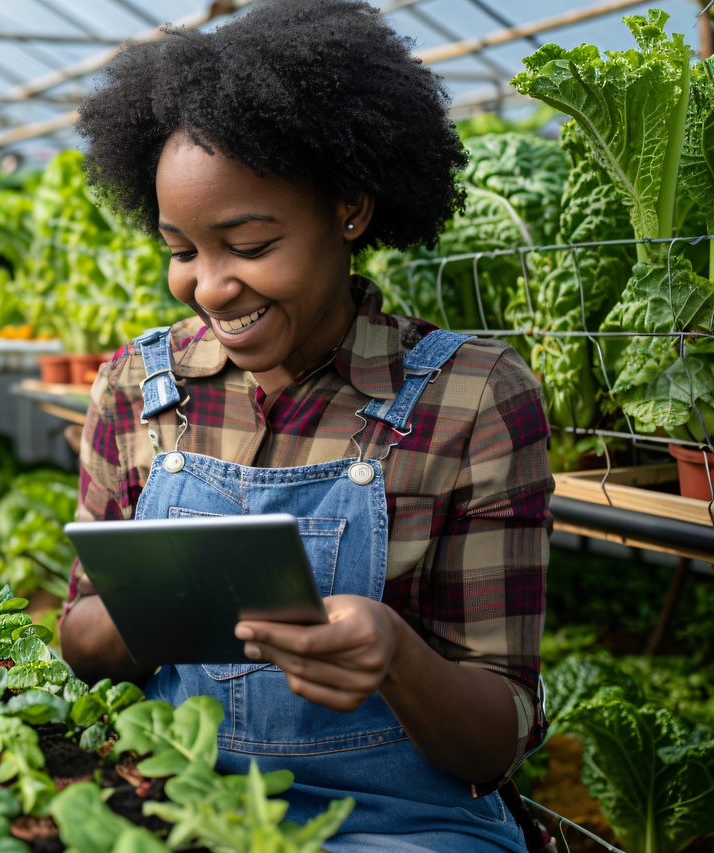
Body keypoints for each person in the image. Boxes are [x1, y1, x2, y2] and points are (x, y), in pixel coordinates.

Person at [58, 2, 553, 851]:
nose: (209, 287)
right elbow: (80, 632)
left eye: (247, 244)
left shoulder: (472, 399)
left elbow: (495, 737)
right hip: (180, 801)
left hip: (397, 825)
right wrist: (141, 613)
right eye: (182, 250)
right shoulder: (137, 386)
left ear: (350, 210)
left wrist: (394, 653)